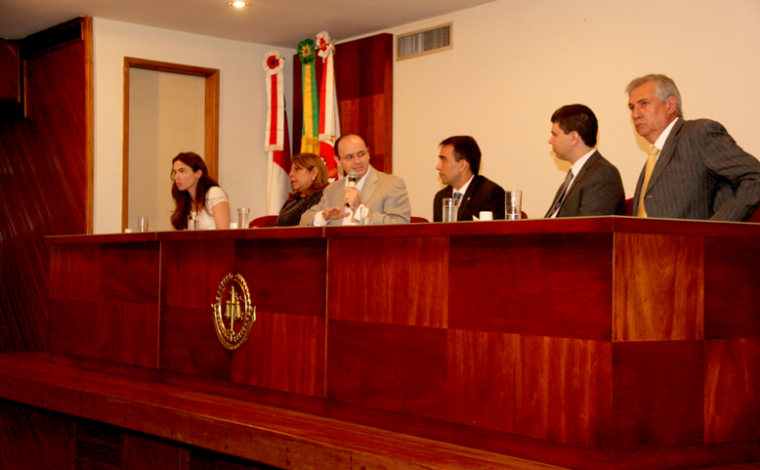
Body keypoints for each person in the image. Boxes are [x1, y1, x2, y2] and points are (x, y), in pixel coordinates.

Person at [626, 74, 760, 221]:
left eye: (644, 103)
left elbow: (755, 177)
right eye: (632, 107)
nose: (635, 114)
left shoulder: (698, 134)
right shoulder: (655, 155)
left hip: (693, 237)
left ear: (670, 105)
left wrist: (715, 228)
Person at [300, 133, 411, 225]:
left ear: (368, 154)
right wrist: (324, 217)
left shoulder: (391, 184)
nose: (357, 161)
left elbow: (400, 225)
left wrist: (360, 209)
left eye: (361, 154)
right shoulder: (331, 190)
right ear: (338, 161)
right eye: (349, 157)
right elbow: (305, 220)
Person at [544, 105, 625, 218]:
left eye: (554, 134)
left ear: (573, 138)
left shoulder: (603, 175)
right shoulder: (576, 175)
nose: (550, 141)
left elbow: (588, 227)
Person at [433, 136, 505, 222]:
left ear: (462, 165)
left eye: (444, 160)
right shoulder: (441, 197)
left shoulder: (490, 194)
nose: (438, 166)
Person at [170, 152, 230, 230]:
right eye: (175, 172)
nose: (176, 177)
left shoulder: (214, 193)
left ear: (198, 174)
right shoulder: (183, 200)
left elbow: (224, 234)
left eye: (182, 171)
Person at [275, 153, 329, 226]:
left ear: (313, 172)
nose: (290, 174)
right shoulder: (293, 199)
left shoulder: (321, 197)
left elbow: (308, 227)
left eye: (296, 169)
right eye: (291, 170)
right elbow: (278, 225)